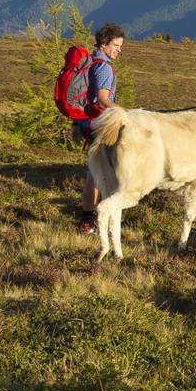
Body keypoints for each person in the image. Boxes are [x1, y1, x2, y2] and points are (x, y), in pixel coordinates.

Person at [76, 23, 126, 234]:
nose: (119, 50)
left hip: (89, 124)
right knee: (99, 176)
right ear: (104, 44)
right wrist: (126, 112)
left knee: (95, 175)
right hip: (101, 126)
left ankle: (89, 219)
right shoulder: (104, 67)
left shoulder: (92, 62)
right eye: (116, 45)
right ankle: (91, 222)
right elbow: (103, 99)